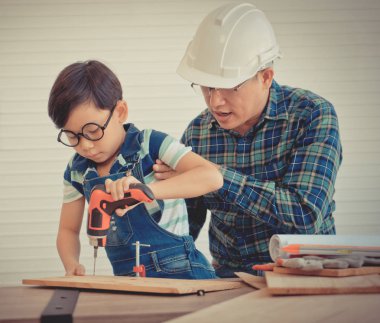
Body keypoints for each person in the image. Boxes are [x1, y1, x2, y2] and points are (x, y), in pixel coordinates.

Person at [154, 2, 343, 277]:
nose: (215, 101)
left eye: (230, 86)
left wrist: (215, 176)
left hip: (307, 274)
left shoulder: (312, 115)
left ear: (265, 77)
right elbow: (184, 226)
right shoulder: (197, 132)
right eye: (207, 86)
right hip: (230, 278)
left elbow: (305, 215)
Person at [48, 60, 223, 279]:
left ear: (120, 112)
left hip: (183, 271)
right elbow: (68, 230)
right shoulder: (77, 171)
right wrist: (71, 263)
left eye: (92, 131)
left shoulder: (151, 145)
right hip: (128, 278)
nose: (85, 146)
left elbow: (211, 177)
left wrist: (145, 191)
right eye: (72, 136)